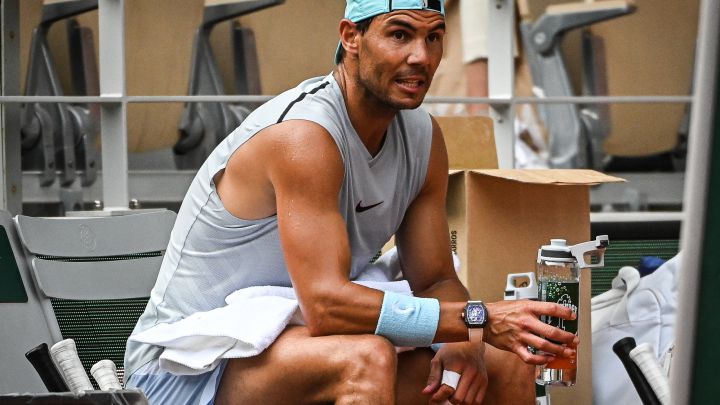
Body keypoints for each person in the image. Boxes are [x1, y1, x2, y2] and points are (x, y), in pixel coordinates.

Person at [124, 1, 578, 404]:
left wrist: (466, 342)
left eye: (434, 37)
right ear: (351, 37)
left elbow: (437, 278)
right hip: (181, 374)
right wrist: (476, 319)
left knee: (501, 365)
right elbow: (327, 308)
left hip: (298, 349)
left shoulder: (423, 137)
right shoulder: (304, 136)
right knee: (365, 358)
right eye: (399, 34)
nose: (421, 56)